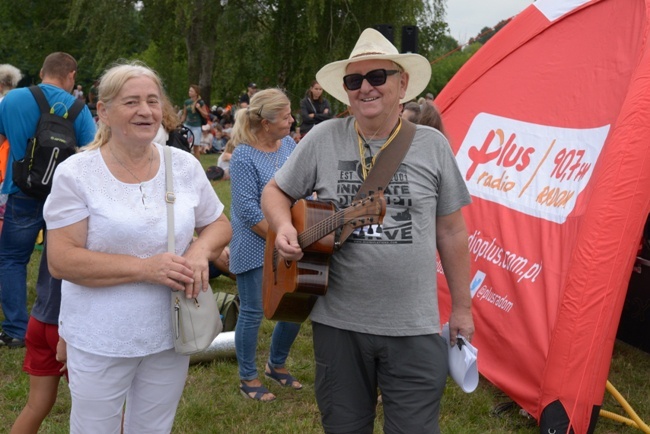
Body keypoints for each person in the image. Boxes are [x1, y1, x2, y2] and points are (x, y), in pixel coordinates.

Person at [261, 28, 474, 433]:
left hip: (414, 326)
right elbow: (275, 191)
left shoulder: (432, 145)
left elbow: (451, 232)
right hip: (339, 324)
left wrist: (462, 308)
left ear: (402, 83)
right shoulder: (324, 137)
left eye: (378, 77)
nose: (366, 88)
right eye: (354, 81)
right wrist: (285, 225)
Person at [42, 62, 232, 433]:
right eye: (131, 102)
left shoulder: (183, 165)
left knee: (154, 428)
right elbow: (61, 260)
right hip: (99, 337)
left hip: (170, 330)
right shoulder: (77, 173)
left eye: (152, 100)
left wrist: (198, 252)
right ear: (104, 111)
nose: (145, 111)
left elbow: (218, 224)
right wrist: (147, 268)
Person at [0, 52, 96, 349]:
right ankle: (51, 322)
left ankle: (16, 329)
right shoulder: (79, 109)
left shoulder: (12, 100)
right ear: (72, 75)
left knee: (12, 259)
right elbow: (91, 154)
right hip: (64, 198)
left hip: (20, 192)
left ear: (42, 71)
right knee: (56, 262)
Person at [229, 88, 302, 402]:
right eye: (284, 116)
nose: (290, 120)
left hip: (289, 239)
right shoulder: (244, 155)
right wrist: (279, 238)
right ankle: (248, 377)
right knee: (253, 311)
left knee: (294, 306)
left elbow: (303, 185)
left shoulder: (288, 144)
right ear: (265, 122)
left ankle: (277, 365)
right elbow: (247, 210)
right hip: (253, 243)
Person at [180, 84, 209, 160]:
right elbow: (184, 114)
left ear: (196, 93)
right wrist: (180, 123)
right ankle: (185, 161)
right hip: (187, 124)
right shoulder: (187, 102)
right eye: (189, 90)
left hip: (196, 126)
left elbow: (206, 115)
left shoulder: (200, 102)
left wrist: (199, 108)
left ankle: (197, 164)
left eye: (191, 91)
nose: (189, 92)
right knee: (185, 144)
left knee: (196, 146)